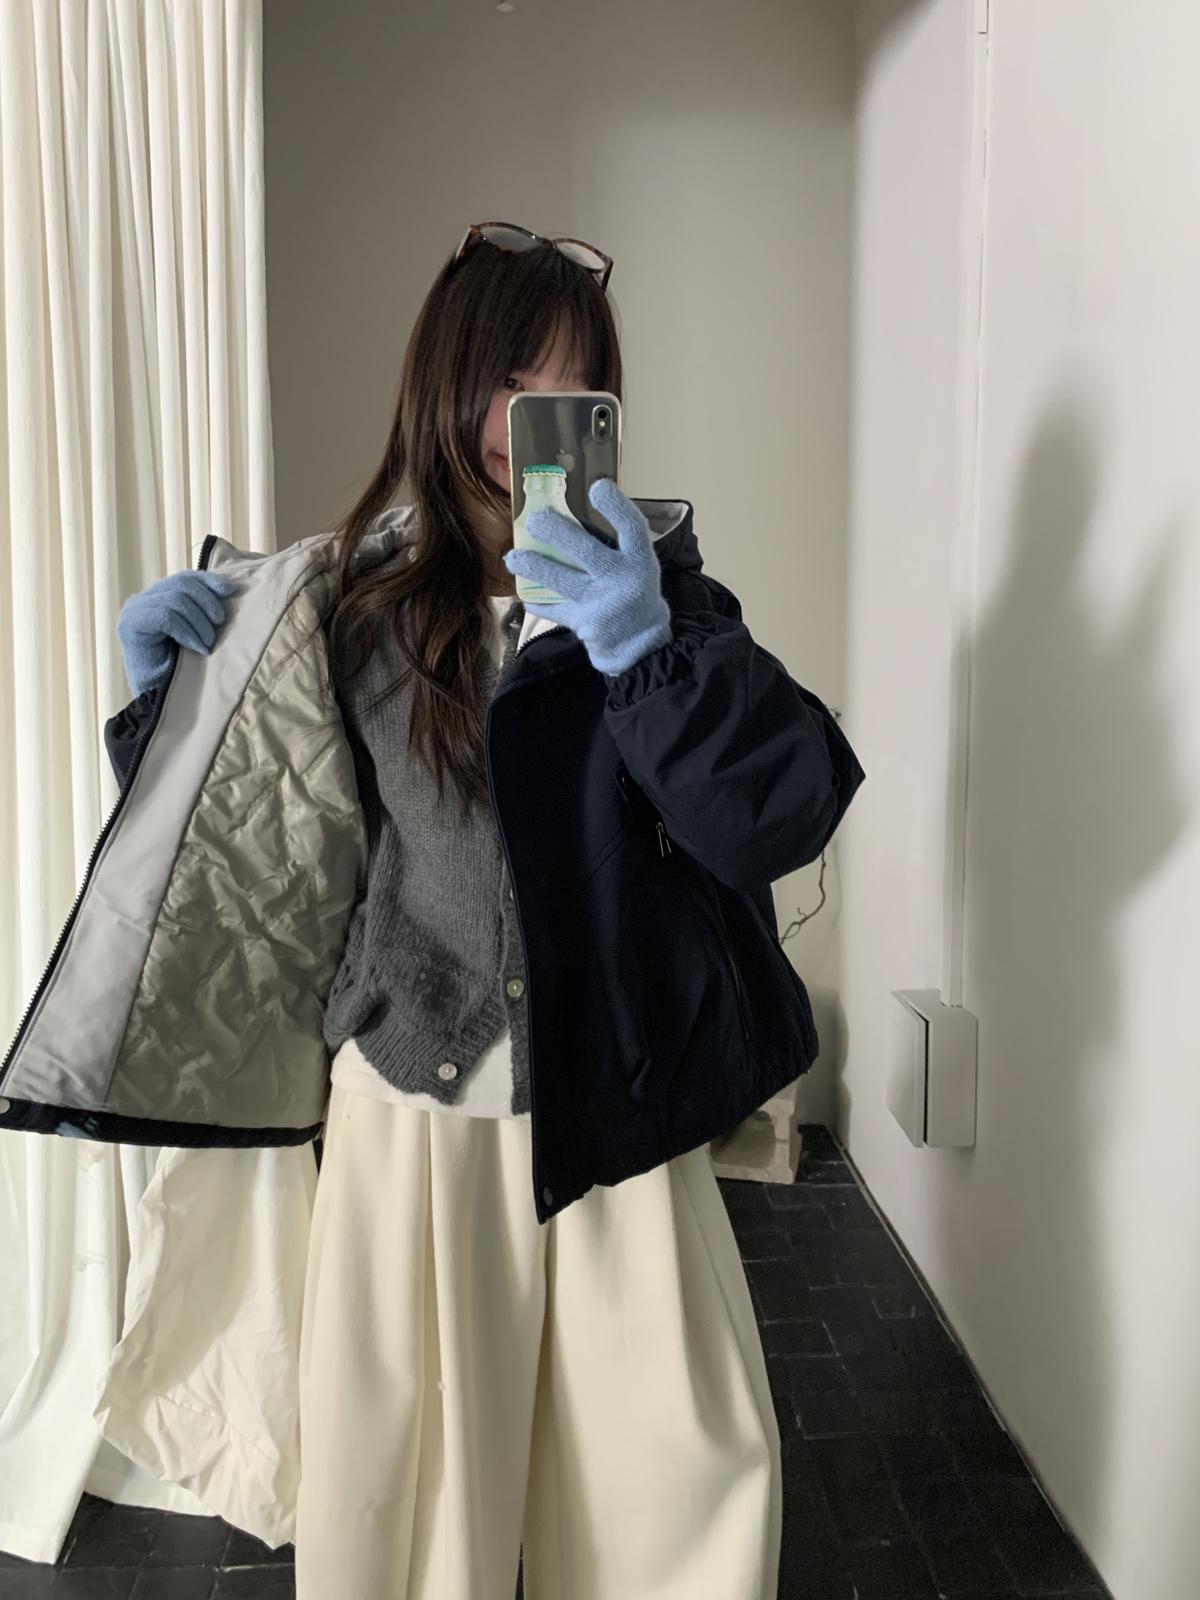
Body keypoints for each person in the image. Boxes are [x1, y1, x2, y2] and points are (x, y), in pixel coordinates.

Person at [7, 222, 866, 1598]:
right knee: (409, 1516)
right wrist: (171, 708)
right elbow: (271, 845)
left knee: (680, 1494)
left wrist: (645, 653)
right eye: (513, 376)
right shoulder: (347, 604)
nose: (537, 413)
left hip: (617, 1111)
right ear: (447, 383)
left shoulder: (667, 598)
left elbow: (782, 810)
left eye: (576, 384)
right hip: (412, 1112)